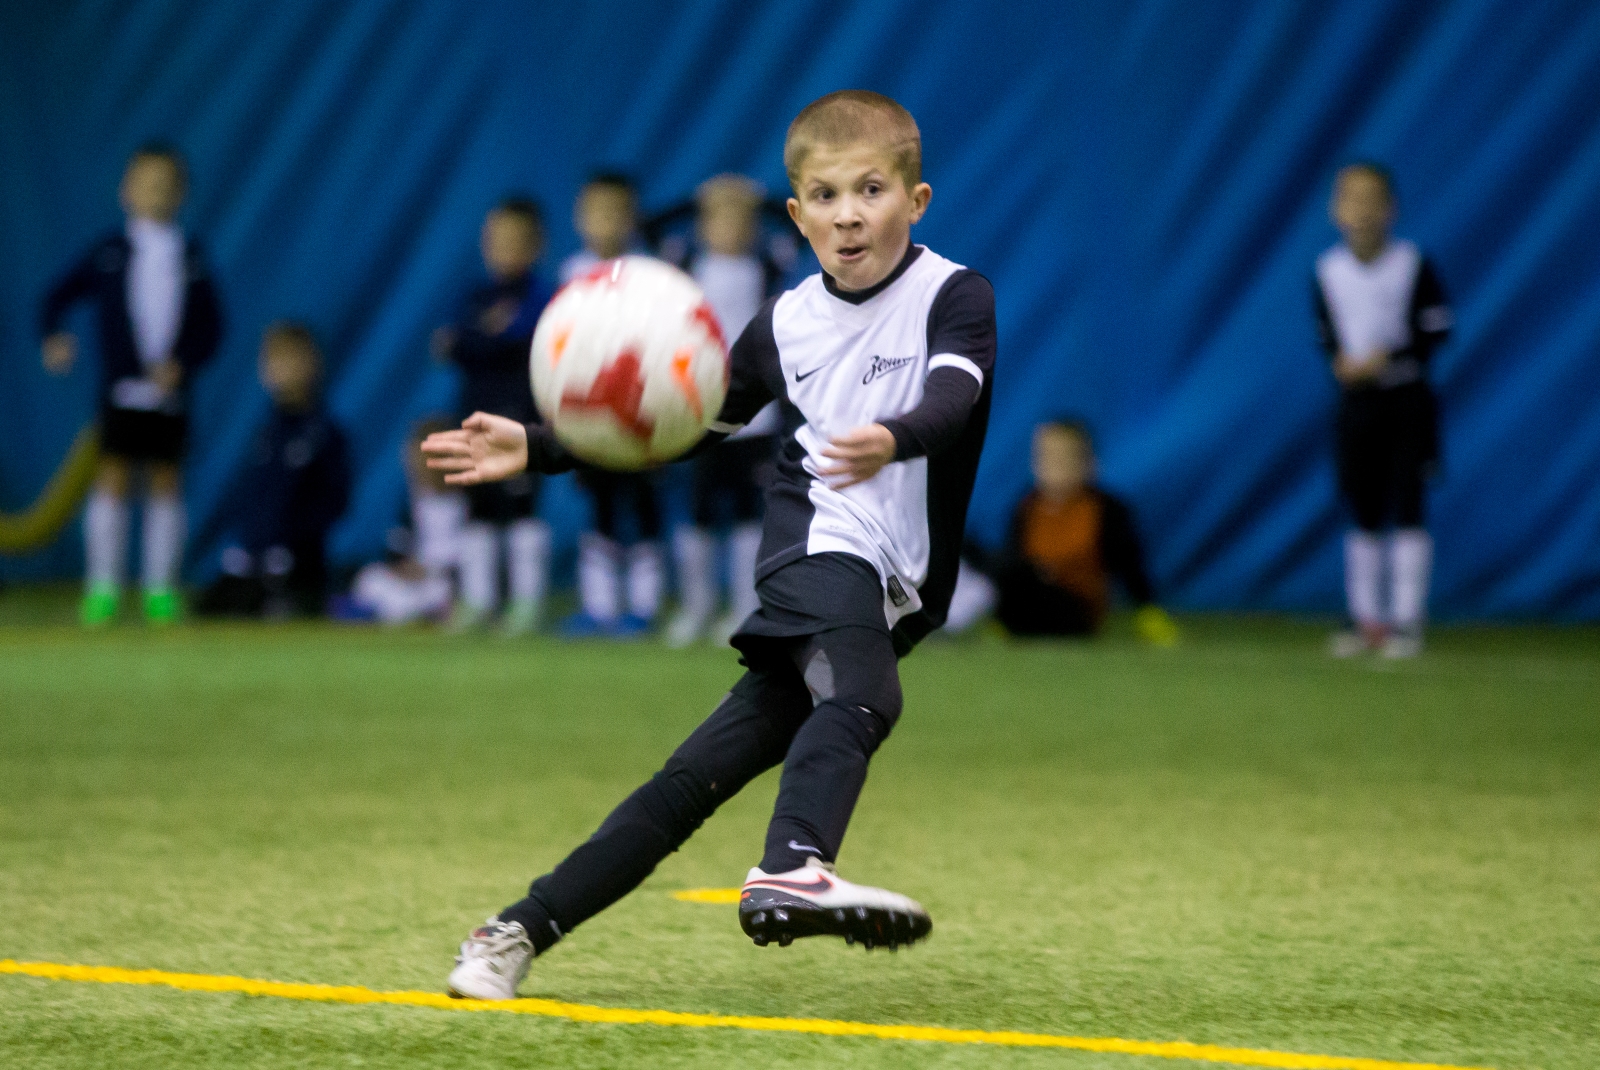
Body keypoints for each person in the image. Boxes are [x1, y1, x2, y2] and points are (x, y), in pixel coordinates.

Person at [425, 90, 996, 999]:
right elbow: (681, 425)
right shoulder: (784, 323)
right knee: (865, 696)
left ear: (916, 202)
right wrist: (539, 442)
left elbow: (951, 397)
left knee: (693, 781)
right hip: (816, 542)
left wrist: (899, 436)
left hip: (890, 583)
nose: (849, 213)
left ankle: (508, 936)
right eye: (826, 194)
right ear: (797, 214)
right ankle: (793, 866)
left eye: (873, 189)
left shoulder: (953, 296)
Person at [40, 143, 223, 625]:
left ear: (182, 194)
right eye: (146, 183)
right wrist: (53, 336)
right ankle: (103, 587)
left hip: (170, 396)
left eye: (167, 185)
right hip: (119, 393)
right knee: (113, 479)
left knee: (166, 483)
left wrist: (182, 364)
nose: (156, 193)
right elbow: (55, 297)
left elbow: (212, 328)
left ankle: (160, 590)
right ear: (126, 191)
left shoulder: (191, 256)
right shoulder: (108, 252)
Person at [1315, 163, 1451, 659]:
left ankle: (1408, 620)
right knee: (1363, 507)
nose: (1363, 209)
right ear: (1337, 210)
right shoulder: (1328, 269)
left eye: (1374, 198)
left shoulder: (1413, 264)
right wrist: (1342, 363)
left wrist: (1389, 359)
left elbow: (1437, 331)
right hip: (1358, 407)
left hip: (1407, 401)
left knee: (1408, 503)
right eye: (1352, 198)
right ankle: (1365, 617)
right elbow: (1328, 334)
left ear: (1391, 208)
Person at [659, 175, 791, 648]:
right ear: (703, 226)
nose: (732, 230)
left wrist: (760, 198)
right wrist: (698, 196)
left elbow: (801, 230)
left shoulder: (766, 265)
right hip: (698, 411)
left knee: (747, 516)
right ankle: (695, 608)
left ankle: (742, 609)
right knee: (696, 513)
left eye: (742, 221)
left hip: (754, 417)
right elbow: (650, 227)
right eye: (720, 219)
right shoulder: (688, 263)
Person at [433, 197, 555, 634]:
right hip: (476, 417)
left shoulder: (543, 295)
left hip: (524, 421)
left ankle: (527, 603)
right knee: (479, 507)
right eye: (496, 240)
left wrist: (478, 341)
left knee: (521, 508)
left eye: (516, 241)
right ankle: (479, 600)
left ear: (537, 246)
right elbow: (448, 345)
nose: (504, 250)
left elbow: (522, 339)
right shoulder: (474, 295)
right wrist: (482, 339)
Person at [559, 173, 665, 636]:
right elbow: (557, 348)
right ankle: (599, 608)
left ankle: (644, 607)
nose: (605, 222)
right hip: (589, 417)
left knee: (643, 507)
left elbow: (666, 342)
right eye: (595, 212)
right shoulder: (570, 272)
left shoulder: (650, 274)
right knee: (599, 507)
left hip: (642, 415)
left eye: (616, 212)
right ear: (580, 219)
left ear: (633, 220)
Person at [195, 323, 349, 618]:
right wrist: (253, 543)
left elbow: (335, 501)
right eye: (271, 360)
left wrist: (292, 542)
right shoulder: (266, 433)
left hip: (298, 565)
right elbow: (251, 498)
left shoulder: (324, 433)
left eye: (288, 359)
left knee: (284, 609)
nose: (278, 369)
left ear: (311, 364)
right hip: (254, 559)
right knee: (213, 607)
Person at [993, 420, 1176, 643]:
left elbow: (1129, 564)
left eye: (1064, 460)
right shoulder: (1026, 505)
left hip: (1076, 608)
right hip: (1030, 598)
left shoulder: (1105, 509)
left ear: (1089, 465)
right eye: (1045, 458)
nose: (1053, 467)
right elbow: (1013, 558)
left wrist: (1147, 610)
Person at [339, 419, 464, 625]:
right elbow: (400, 546)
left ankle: (416, 613)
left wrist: (432, 570)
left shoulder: (462, 501)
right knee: (370, 578)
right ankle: (403, 612)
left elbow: (468, 554)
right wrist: (404, 568)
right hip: (415, 578)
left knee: (440, 592)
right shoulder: (413, 502)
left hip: (444, 580)